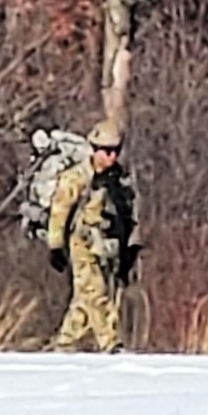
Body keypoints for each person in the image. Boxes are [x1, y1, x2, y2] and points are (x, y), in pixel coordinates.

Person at [44, 121, 138, 352]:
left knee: (83, 300)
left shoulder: (118, 181)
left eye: (116, 151)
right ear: (94, 149)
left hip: (106, 246)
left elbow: (128, 215)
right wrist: (55, 246)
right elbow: (59, 211)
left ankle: (64, 344)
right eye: (106, 151)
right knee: (95, 293)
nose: (111, 157)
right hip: (81, 244)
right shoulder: (76, 177)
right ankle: (111, 343)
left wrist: (128, 250)